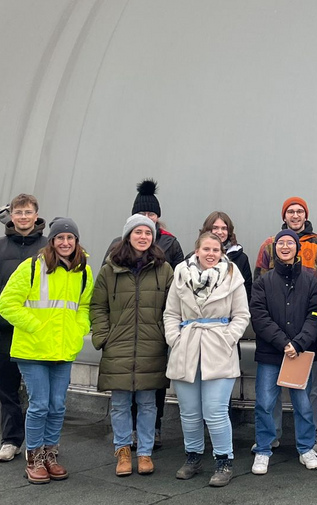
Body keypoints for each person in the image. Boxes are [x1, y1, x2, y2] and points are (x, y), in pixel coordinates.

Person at [0, 217, 92, 485]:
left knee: (57, 405)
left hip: (63, 349)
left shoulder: (83, 271)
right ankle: (34, 457)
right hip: (33, 350)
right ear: (52, 241)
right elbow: (7, 304)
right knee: (39, 406)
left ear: (76, 241)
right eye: (60, 238)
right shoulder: (31, 267)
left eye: (70, 238)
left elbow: (85, 306)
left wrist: (79, 328)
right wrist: (36, 326)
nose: (65, 242)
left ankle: (51, 454)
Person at [103, 179, 184, 449]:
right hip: (123, 332)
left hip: (153, 330)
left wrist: (167, 330)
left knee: (152, 388)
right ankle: (124, 443)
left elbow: (177, 287)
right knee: (123, 394)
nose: (147, 222)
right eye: (141, 216)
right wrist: (104, 335)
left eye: (151, 215)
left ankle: (152, 432)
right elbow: (101, 294)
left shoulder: (170, 245)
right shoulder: (117, 247)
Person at [164, 231, 250, 488]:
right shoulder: (180, 273)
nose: (211, 254)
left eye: (216, 249)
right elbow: (170, 313)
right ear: (197, 250)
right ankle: (193, 456)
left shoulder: (233, 275)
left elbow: (242, 315)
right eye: (207, 249)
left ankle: (224, 460)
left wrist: (228, 338)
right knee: (189, 412)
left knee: (215, 411)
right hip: (186, 347)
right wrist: (175, 339)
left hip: (218, 348)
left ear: (221, 251)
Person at [91, 214, 174, 477]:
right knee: (120, 403)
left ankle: (145, 453)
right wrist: (104, 336)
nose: (143, 237)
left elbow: (173, 307)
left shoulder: (164, 269)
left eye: (148, 233)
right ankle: (123, 452)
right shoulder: (109, 270)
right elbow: (98, 306)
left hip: (152, 345)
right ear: (128, 236)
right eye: (138, 232)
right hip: (118, 345)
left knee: (149, 403)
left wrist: (164, 335)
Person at [0, 193, 47, 463]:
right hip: (7, 330)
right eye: (19, 212)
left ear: (36, 215)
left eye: (28, 212)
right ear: (11, 215)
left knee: (41, 391)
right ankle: (11, 440)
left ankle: (43, 442)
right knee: (7, 386)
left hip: (39, 331)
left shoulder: (50, 249)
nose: (23, 217)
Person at [250, 229, 317, 474]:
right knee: (265, 403)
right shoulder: (263, 282)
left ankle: (305, 448)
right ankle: (263, 449)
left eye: (290, 243)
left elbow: (315, 315)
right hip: (272, 353)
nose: (285, 247)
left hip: (300, 353)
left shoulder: (312, 281)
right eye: (280, 243)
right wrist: (283, 343)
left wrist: (299, 343)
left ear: (297, 248)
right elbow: (259, 317)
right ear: (275, 249)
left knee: (303, 404)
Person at [255, 197, 317, 278]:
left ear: (306, 216)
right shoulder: (269, 245)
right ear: (284, 217)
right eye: (290, 212)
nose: (295, 216)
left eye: (300, 211)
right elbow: (259, 281)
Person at [200, 211, 253, 301]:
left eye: (224, 228)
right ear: (207, 230)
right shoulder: (194, 258)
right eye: (215, 228)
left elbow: (246, 290)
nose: (220, 232)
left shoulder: (241, 258)